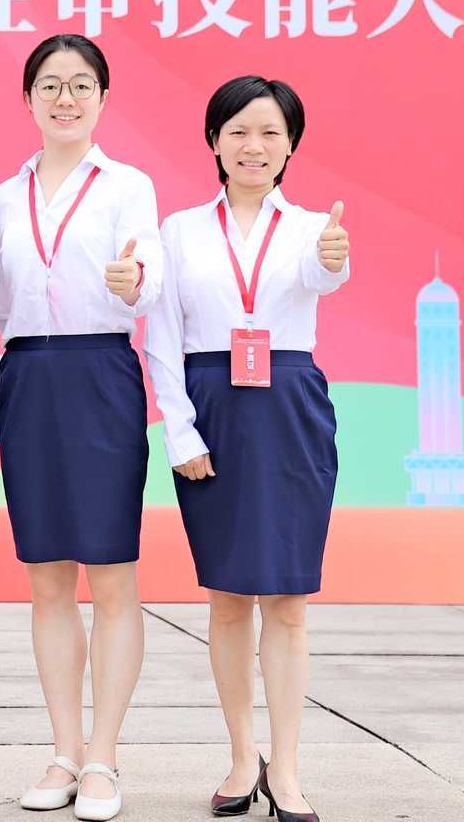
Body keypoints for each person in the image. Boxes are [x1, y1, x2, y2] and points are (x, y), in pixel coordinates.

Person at [144, 75, 350, 822]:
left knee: (288, 600)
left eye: (269, 132)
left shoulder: (311, 228)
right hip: (212, 407)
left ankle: (286, 769)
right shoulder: (179, 231)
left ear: (291, 145)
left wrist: (332, 256)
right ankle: (241, 757)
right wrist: (180, 428)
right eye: (237, 131)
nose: (252, 146)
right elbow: (161, 333)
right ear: (213, 140)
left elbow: (320, 275)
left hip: (290, 407)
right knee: (229, 597)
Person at [0, 35, 162, 822]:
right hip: (29, 375)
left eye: (81, 84)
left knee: (112, 573)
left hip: (101, 374)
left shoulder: (128, 186)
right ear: (28, 97)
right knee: (48, 577)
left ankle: (103, 757)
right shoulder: (4, 197)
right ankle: (63, 751)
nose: (66, 98)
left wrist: (133, 282)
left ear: (103, 97)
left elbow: (148, 276)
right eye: (51, 85)